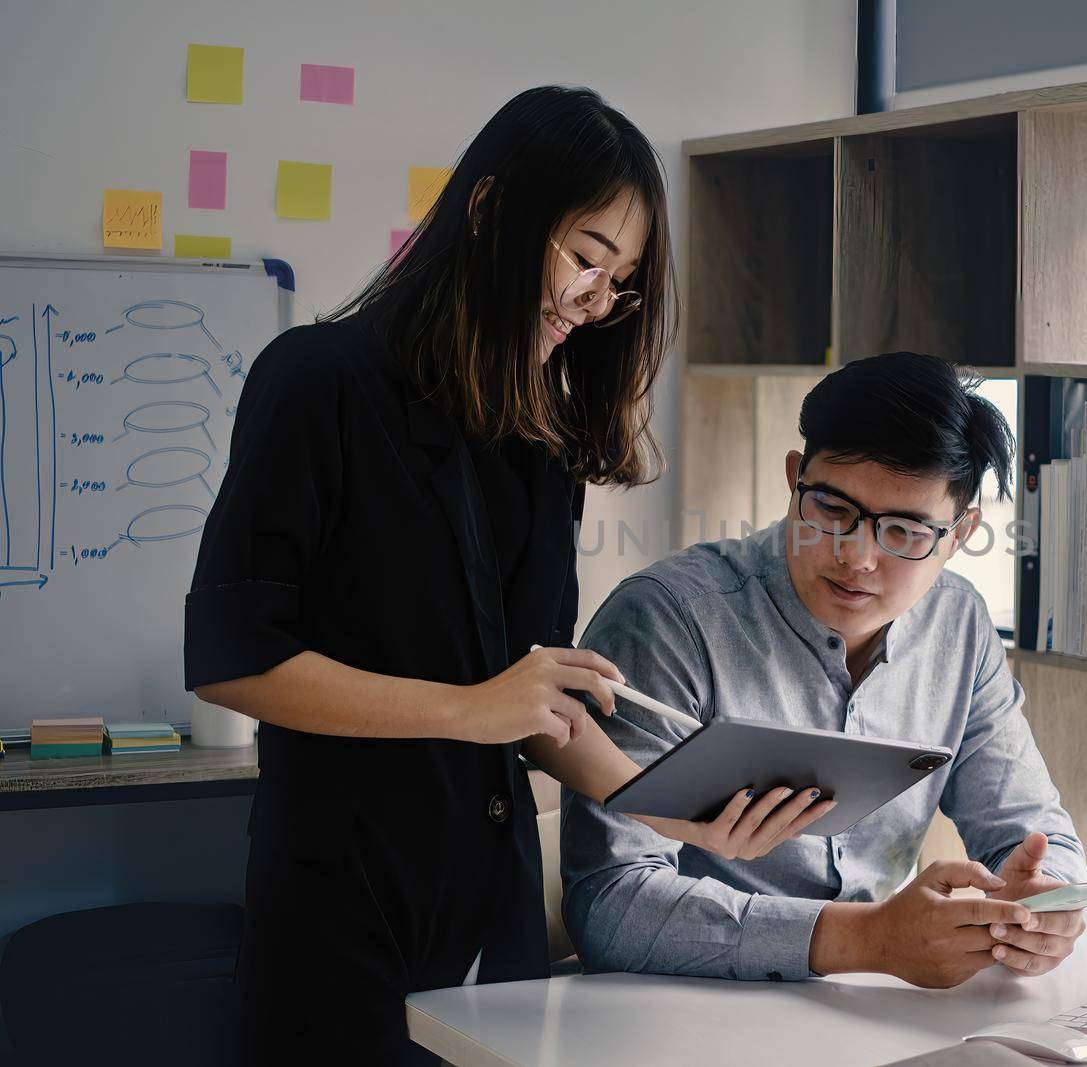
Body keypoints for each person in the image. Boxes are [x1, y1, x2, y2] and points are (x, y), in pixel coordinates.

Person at [184, 86, 825, 1066]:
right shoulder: (318, 380)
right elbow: (233, 659)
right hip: (342, 914)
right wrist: (467, 707)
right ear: (488, 211)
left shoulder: (540, 438)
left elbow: (532, 702)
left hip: (496, 919)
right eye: (583, 258)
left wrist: (675, 808)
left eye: (620, 280)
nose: (594, 300)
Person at [563, 352, 1087, 990]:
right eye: (832, 508)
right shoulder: (670, 618)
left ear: (962, 532)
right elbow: (609, 906)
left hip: (870, 1011)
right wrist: (869, 939)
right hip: (679, 1011)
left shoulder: (959, 626)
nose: (858, 557)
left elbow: (1028, 827)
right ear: (795, 478)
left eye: (905, 530)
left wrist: (1046, 899)